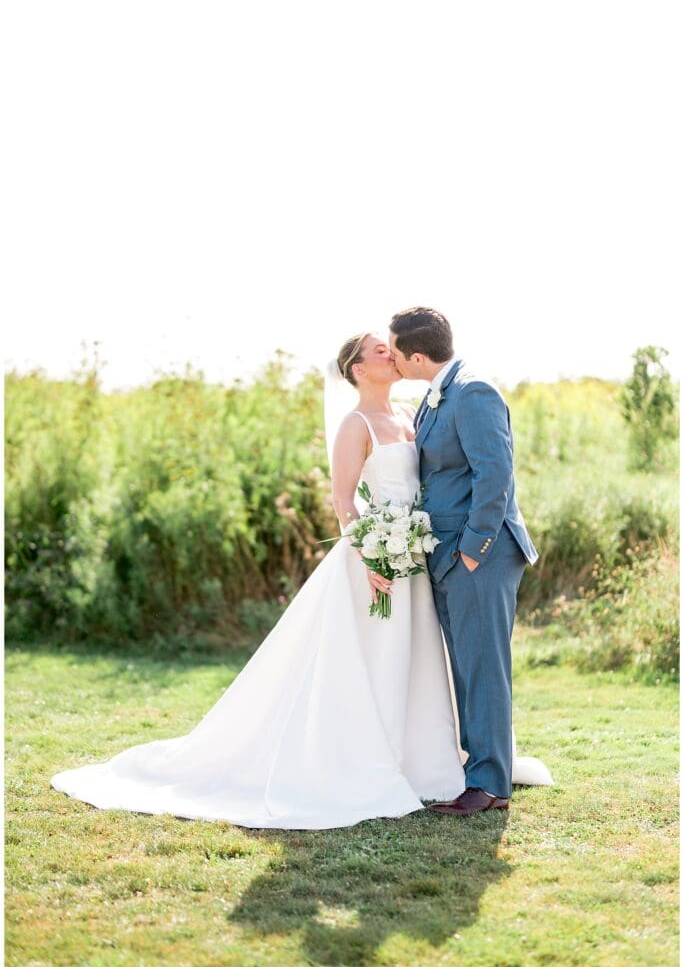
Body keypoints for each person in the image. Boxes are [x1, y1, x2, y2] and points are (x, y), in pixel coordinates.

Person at [50, 332, 551, 830]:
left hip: (419, 560)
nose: (390, 355)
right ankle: (361, 760)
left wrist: (430, 544)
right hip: (379, 564)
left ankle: (431, 762)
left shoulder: (413, 414)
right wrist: (372, 552)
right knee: (370, 662)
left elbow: (459, 477)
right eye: (380, 350)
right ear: (357, 369)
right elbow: (344, 503)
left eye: (392, 347)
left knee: (424, 663)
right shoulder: (355, 424)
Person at [389, 307, 543, 816]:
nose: (390, 358)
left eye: (394, 351)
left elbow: (495, 475)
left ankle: (491, 786)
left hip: (481, 555)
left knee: (483, 670)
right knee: (466, 668)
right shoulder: (436, 397)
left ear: (416, 356)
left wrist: (471, 553)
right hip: (448, 557)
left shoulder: (474, 391)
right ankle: (479, 769)